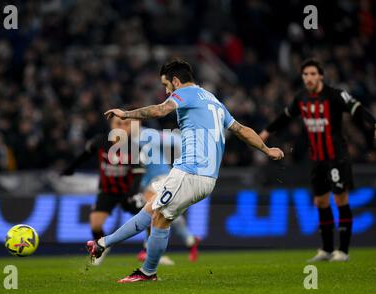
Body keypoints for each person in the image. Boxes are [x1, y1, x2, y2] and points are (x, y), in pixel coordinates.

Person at [87, 59, 284, 282]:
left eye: (166, 85)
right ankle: (104, 244)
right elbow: (241, 130)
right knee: (154, 211)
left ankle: (144, 270)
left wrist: (126, 114)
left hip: (191, 171)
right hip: (205, 177)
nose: (166, 90)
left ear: (176, 81)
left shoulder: (185, 94)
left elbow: (160, 111)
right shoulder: (213, 100)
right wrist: (266, 149)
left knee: (157, 216)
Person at [260, 59, 376, 262]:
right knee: (320, 201)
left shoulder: (335, 95)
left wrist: (374, 124)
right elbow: (285, 116)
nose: (309, 78)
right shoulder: (302, 98)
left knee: (340, 199)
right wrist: (266, 131)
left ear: (320, 76)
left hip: (336, 157)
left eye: (313, 74)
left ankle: (344, 251)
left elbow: (356, 108)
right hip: (317, 159)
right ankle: (327, 249)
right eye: (305, 74)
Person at [61, 116, 145, 265]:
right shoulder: (100, 141)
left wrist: (133, 194)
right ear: (111, 125)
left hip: (128, 192)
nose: (121, 127)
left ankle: (149, 250)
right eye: (117, 123)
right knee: (95, 224)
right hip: (107, 191)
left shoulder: (133, 147)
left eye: (125, 124)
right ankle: (102, 247)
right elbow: (85, 155)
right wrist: (71, 168)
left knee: (150, 218)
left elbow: (138, 173)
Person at [136, 127, 200, 265]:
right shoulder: (137, 137)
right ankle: (190, 240)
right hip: (157, 178)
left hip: (160, 177)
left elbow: (173, 139)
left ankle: (150, 251)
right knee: (165, 213)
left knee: (153, 212)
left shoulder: (140, 136)